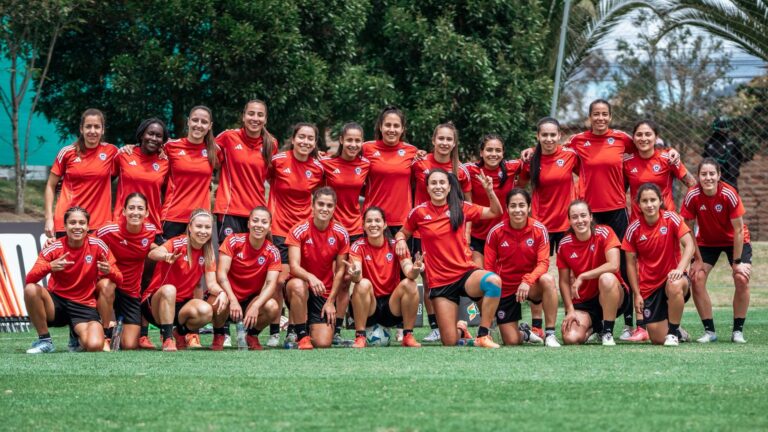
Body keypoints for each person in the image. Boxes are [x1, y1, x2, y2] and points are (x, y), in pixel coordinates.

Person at [395, 168, 503, 348]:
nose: (438, 187)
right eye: (433, 183)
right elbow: (402, 233)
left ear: (449, 187)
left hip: (465, 273)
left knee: (494, 281)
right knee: (450, 341)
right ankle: (461, 329)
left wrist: (489, 191)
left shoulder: (461, 207)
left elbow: (495, 212)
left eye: (442, 183)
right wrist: (400, 240)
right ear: (427, 188)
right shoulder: (419, 212)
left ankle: (483, 335)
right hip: (440, 282)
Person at [24, 206, 122, 353]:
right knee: (31, 289)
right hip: (56, 304)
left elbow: (119, 279)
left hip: (84, 305)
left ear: (88, 226)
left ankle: (77, 338)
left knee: (95, 346)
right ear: (64, 226)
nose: (77, 227)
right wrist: (50, 266)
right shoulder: (55, 247)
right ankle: (45, 341)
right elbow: (29, 278)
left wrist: (110, 271)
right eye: (72, 222)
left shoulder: (97, 245)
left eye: (82, 223)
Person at [410, 123, 472, 343]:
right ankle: (435, 326)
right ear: (433, 140)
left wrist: (467, 234)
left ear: (454, 143)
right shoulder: (419, 163)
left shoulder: (460, 170)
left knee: (458, 277)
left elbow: (468, 203)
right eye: (441, 138)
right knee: (428, 280)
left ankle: (458, 324)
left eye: (449, 139)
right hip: (423, 232)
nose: (444, 143)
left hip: (450, 235)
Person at [681, 158, 752, 344]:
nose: (708, 178)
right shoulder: (692, 195)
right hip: (707, 241)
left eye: (712, 173)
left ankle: (737, 331)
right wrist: (697, 259)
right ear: (698, 176)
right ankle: (709, 331)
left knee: (741, 278)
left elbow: (738, 230)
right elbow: (687, 229)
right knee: (696, 278)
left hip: (735, 240)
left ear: (719, 175)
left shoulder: (729, 193)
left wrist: (737, 263)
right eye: (704, 174)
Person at [267, 123, 325, 347]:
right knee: (280, 280)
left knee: (298, 282)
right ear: (293, 139)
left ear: (315, 143)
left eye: (310, 138)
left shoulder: (318, 168)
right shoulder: (278, 161)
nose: (305, 142)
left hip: (304, 234)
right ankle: (274, 332)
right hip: (280, 231)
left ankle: (294, 329)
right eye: (301, 137)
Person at [141, 209, 226, 351]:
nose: (203, 231)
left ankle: (179, 333)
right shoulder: (178, 243)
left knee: (206, 311)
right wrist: (166, 256)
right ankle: (167, 339)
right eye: (199, 226)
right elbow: (153, 253)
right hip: (155, 305)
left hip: (181, 307)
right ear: (190, 227)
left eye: (207, 227)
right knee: (169, 289)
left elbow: (211, 284)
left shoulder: (208, 251)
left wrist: (221, 292)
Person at [484, 189, 560, 347]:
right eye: (513, 206)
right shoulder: (496, 232)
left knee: (548, 280)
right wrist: (494, 298)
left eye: (521, 205)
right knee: (511, 341)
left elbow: (543, 263)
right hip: (506, 289)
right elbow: (489, 269)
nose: (517, 210)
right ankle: (525, 333)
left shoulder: (539, 230)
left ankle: (550, 334)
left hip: (530, 286)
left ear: (529, 207)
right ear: (507, 208)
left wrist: (527, 281)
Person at [622, 184, 695, 346]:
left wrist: (680, 269)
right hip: (650, 287)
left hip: (673, 279)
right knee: (657, 339)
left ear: (661, 201)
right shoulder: (633, 229)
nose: (649, 205)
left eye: (653, 200)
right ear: (638, 204)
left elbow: (690, 245)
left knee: (674, 284)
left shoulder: (671, 218)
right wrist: (637, 294)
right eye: (645, 201)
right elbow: (630, 264)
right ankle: (677, 330)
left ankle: (673, 333)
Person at [346, 206, 423, 348]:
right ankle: (360, 336)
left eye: (377, 220)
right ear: (363, 225)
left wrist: (415, 270)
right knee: (362, 284)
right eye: (369, 221)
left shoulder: (396, 245)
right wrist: (355, 275)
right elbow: (357, 274)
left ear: (385, 224)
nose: (373, 224)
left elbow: (408, 271)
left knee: (410, 283)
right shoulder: (358, 246)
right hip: (369, 307)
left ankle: (408, 335)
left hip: (391, 307)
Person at [320, 122, 370, 342]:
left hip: (355, 230)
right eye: (349, 140)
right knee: (329, 278)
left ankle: (337, 330)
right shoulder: (327, 163)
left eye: (357, 140)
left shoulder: (366, 165)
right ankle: (311, 323)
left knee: (346, 281)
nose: (353, 144)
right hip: (331, 230)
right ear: (341, 140)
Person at [284, 187, 349, 349]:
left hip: (323, 291)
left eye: (329, 205)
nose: (324, 209)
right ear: (312, 206)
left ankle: (306, 325)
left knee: (323, 343)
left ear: (334, 209)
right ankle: (301, 335)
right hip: (301, 287)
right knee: (298, 285)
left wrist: (331, 301)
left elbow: (340, 270)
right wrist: (310, 277)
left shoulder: (341, 233)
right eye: (320, 204)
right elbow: (293, 267)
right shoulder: (299, 230)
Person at [557, 200, 629, 346]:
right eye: (574, 217)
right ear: (569, 221)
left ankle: (607, 332)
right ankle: (596, 328)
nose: (580, 220)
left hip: (612, 293)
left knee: (606, 278)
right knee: (571, 338)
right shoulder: (564, 244)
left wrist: (583, 276)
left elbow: (614, 265)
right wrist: (570, 310)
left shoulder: (604, 232)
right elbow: (563, 281)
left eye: (583, 215)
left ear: (590, 217)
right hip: (584, 301)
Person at [96, 193, 158, 350]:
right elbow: (87, 245)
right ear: (123, 211)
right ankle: (105, 333)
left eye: (140, 208)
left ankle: (117, 330)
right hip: (109, 285)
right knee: (106, 285)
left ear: (147, 213)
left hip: (131, 291)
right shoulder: (108, 230)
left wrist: (165, 253)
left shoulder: (151, 231)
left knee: (130, 345)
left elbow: (155, 247)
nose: (135, 212)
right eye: (131, 208)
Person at [214, 206, 281, 350]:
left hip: (250, 301)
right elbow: (221, 274)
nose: (259, 225)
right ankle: (219, 334)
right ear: (248, 223)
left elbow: (271, 284)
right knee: (217, 302)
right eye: (255, 220)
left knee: (272, 306)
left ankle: (251, 335)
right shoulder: (233, 241)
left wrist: (256, 306)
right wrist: (232, 299)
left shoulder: (273, 251)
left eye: (264, 222)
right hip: (229, 296)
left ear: (270, 227)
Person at [44, 109, 118, 239]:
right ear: (81, 129)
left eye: (97, 127)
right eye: (88, 126)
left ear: (103, 130)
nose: (92, 131)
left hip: (99, 225)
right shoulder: (67, 152)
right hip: (69, 222)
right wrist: (48, 218)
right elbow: (50, 185)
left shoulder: (112, 152)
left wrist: (131, 147)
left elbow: (132, 161)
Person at [214, 100, 276, 240]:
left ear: (265, 119)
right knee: (228, 253)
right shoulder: (228, 137)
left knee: (253, 254)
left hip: (257, 214)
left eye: (260, 115)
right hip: (229, 210)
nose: (255, 118)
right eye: (251, 113)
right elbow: (206, 155)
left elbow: (274, 176)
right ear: (243, 116)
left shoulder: (271, 144)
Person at [466, 134, 522, 265]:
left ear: (503, 153)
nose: (493, 154)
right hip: (478, 234)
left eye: (498, 150)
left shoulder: (512, 167)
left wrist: (530, 150)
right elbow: (447, 166)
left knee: (502, 274)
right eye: (489, 150)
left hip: (504, 233)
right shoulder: (470, 170)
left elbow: (535, 158)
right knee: (479, 274)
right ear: (481, 152)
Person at [624, 120, 696, 221]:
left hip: (666, 221)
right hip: (638, 223)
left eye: (648, 134)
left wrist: (685, 213)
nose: (643, 138)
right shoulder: (627, 162)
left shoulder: (669, 159)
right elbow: (619, 192)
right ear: (634, 138)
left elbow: (693, 184)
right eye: (639, 135)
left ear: (656, 138)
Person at [362, 105, 417, 233]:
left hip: (403, 222)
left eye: (396, 126)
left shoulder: (412, 151)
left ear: (402, 129)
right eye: (388, 125)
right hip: (374, 221)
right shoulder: (366, 148)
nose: (392, 129)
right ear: (380, 127)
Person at [113, 118, 170, 231]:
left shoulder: (165, 162)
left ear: (163, 141)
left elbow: (168, 195)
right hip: (122, 223)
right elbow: (104, 182)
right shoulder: (124, 155)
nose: (154, 138)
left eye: (158, 136)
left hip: (151, 226)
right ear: (141, 135)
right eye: (150, 134)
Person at [702, 117, 745, 190]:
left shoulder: (733, 142)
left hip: (730, 176)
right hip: (714, 177)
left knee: (731, 193)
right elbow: (706, 159)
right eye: (721, 129)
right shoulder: (709, 143)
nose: (723, 131)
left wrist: (734, 169)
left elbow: (740, 157)